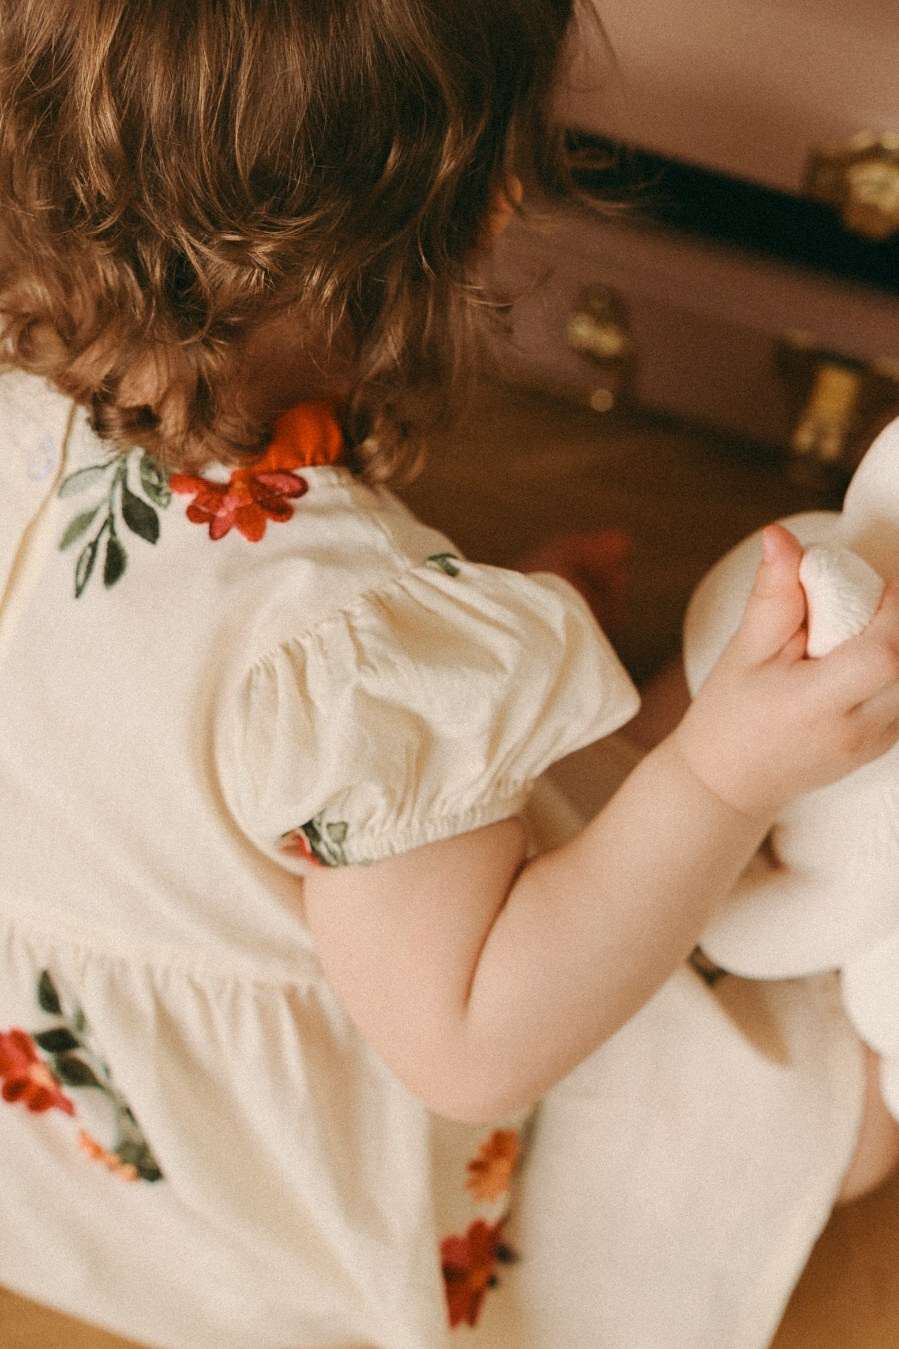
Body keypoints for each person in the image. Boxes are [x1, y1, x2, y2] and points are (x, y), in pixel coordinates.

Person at [0, 3, 897, 1347]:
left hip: (78, 1157)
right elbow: (474, 1040)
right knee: (850, 1126)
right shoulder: (339, 640)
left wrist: (439, 695)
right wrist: (723, 775)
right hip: (337, 1154)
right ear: (484, 203)